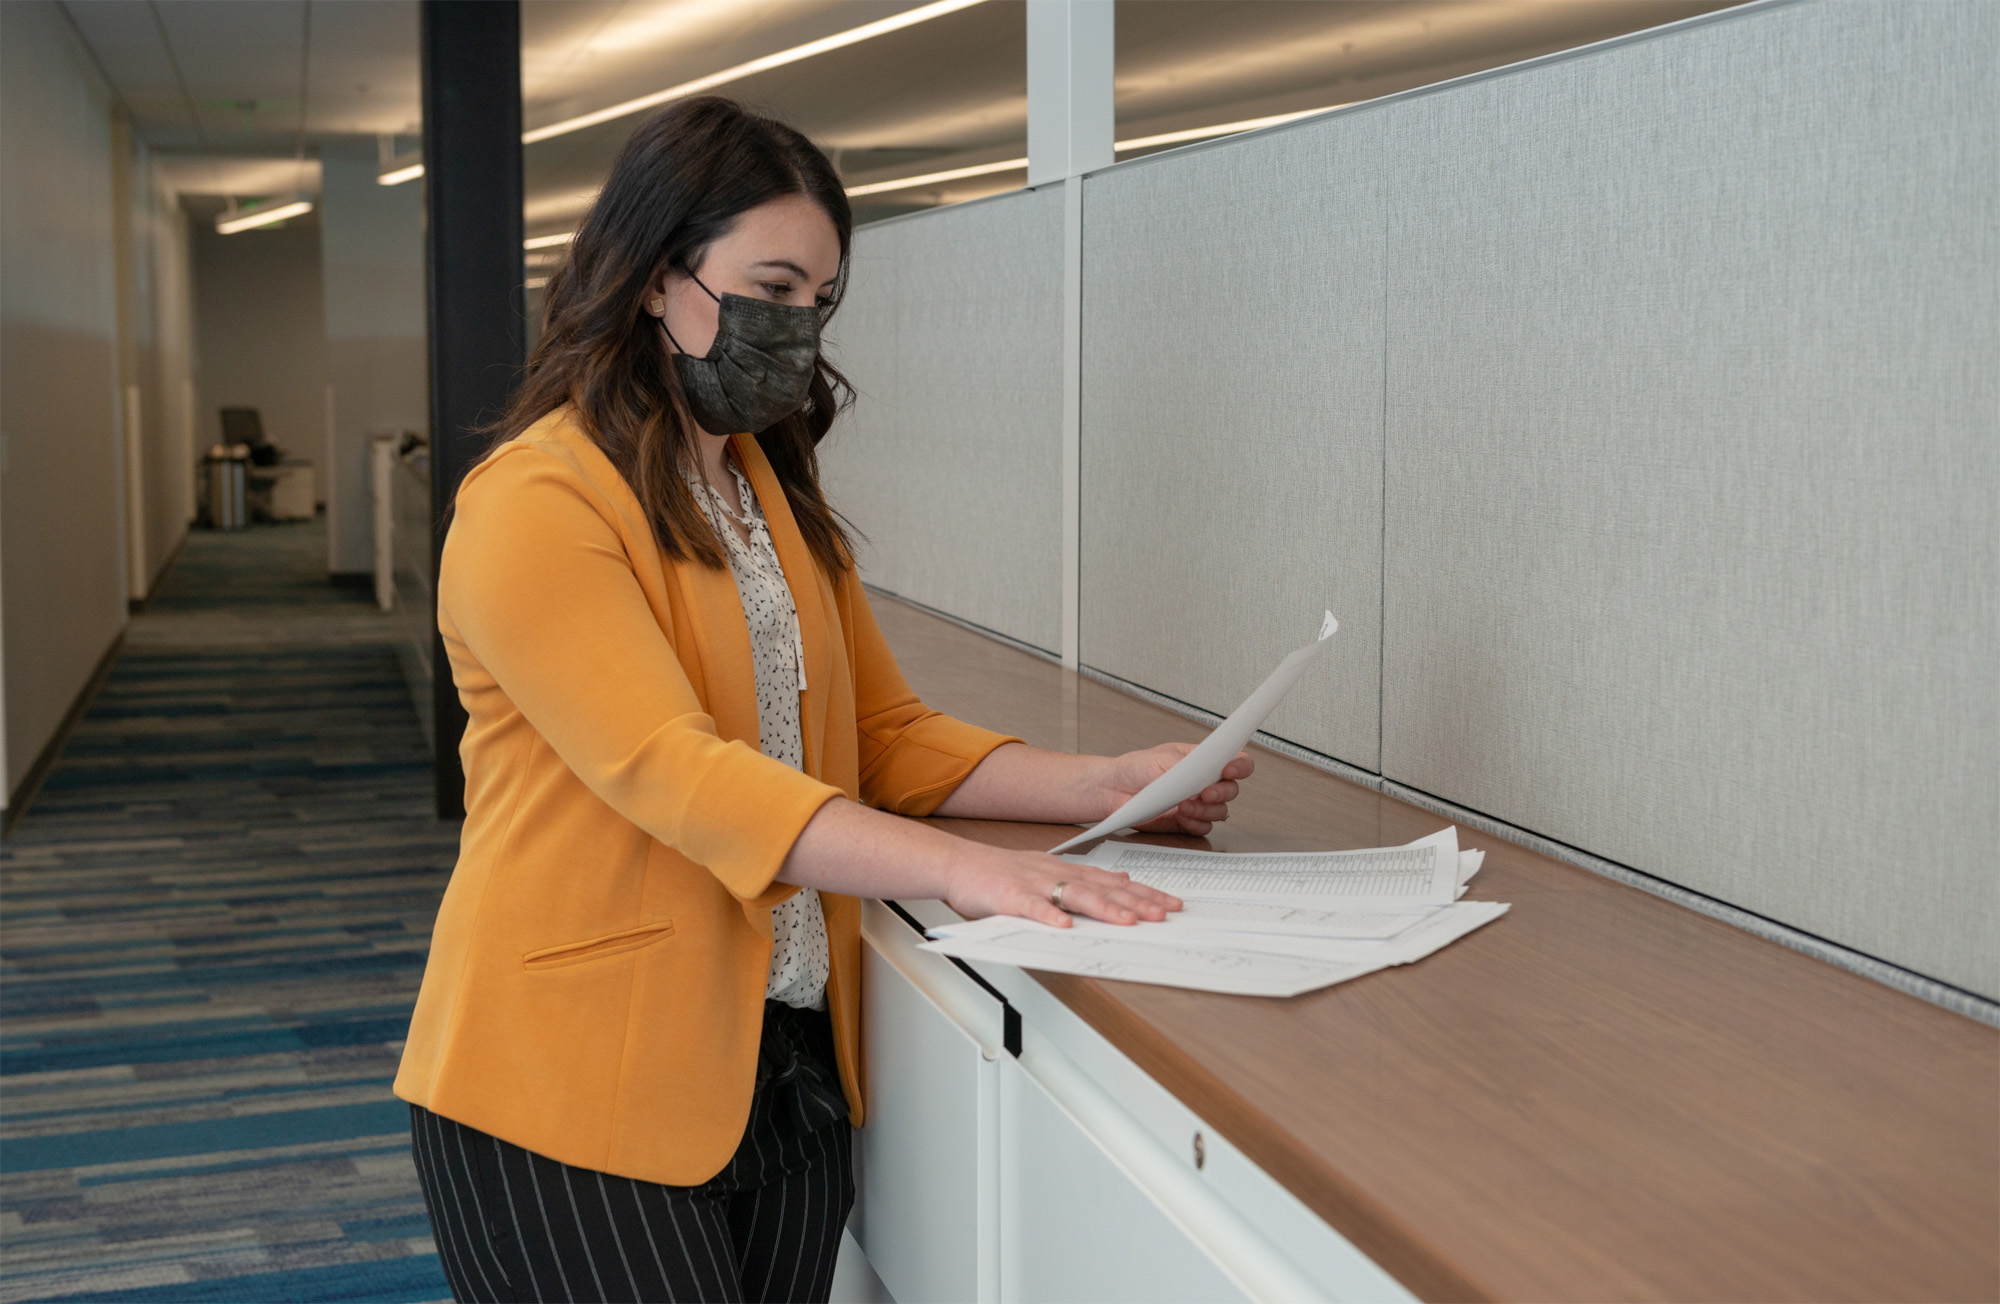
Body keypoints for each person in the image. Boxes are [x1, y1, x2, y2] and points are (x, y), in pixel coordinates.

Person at [394, 96, 1253, 1304]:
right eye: (773, 285)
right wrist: (959, 870)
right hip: (569, 1082)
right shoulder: (534, 502)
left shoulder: (762, 491)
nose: (796, 327)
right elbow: (675, 769)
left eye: (819, 299)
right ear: (654, 276)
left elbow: (883, 736)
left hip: (777, 1061)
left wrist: (1103, 783)